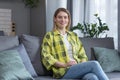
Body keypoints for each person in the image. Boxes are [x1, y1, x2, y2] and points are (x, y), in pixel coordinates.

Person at [41, 8, 109, 80]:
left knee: (92, 77)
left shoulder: (74, 35)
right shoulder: (50, 36)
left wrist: (82, 65)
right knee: (94, 64)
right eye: (59, 17)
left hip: (78, 67)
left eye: (65, 17)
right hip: (63, 71)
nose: (63, 20)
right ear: (55, 19)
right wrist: (64, 64)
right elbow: (46, 56)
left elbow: (82, 55)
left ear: (68, 19)